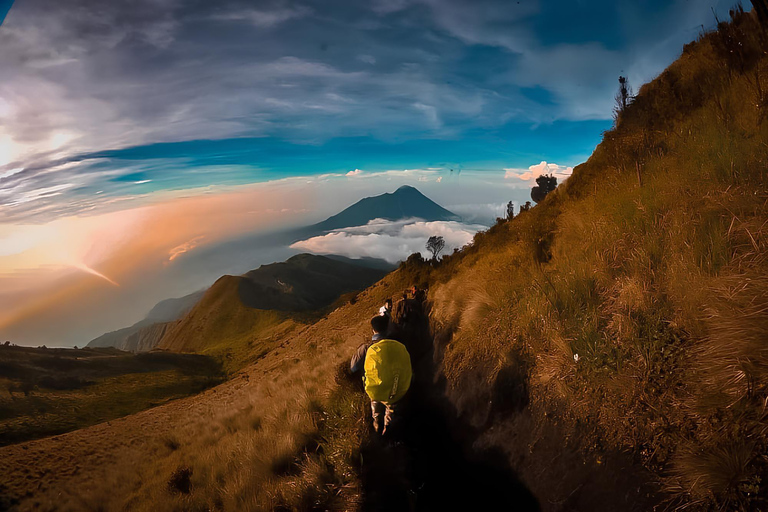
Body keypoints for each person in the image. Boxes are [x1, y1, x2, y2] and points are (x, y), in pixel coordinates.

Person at [350, 315, 412, 435]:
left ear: (373, 330)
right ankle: (388, 435)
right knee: (391, 412)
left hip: (375, 390)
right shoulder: (398, 344)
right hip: (396, 388)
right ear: (388, 328)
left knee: (376, 413)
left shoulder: (366, 348)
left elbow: (353, 368)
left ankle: (377, 429)